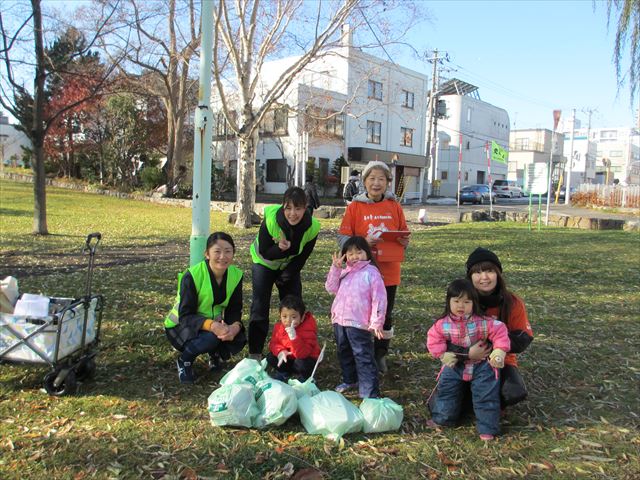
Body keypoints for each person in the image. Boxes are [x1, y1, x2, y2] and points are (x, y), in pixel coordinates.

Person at [337, 160, 409, 373]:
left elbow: (403, 232)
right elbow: (342, 237)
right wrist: (362, 242)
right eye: (371, 178)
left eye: (381, 179)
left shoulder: (395, 206)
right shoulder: (355, 207)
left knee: (384, 313)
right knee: (358, 312)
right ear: (364, 181)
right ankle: (359, 350)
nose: (376, 183)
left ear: (388, 183)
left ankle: (380, 353)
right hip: (359, 271)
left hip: (388, 271)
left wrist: (404, 241)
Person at [427, 279, 510, 440]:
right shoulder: (441, 324)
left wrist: (499, 351)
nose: (461, 306)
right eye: (456, 301)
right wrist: (442, 354)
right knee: (447, 391)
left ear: (474, 303)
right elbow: (433, 340)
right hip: (454, 365)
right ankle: (443, 419)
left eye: (466, 302)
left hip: (483, 366)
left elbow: (500, 331)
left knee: (486, 395)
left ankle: (488, 428)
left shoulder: (483, 322)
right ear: (448, 302)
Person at [248, 186, 321, 358]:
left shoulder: (313, 227)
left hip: (289, 265)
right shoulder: (272, 218)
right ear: (282, 206)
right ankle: (255, 353)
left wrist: (286, 276)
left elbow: (302, 257)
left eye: (298, 208)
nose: (293, 213)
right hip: (264, 262)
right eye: (288, 208)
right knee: (260, 305)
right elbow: (265, 251)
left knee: (294, 304)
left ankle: (295, 348)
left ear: (305, 208)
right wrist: (280, 249)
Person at [165, 232, 246, 384]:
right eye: (217, 251)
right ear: (207, 254)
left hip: (212, 323)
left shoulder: (236, 275)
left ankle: (214, 353)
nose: (223, 256)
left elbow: (235, 309)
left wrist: (234, 327)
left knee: (239, 334)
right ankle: (184, 360)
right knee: (211, 337)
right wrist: (213, 326)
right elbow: (185, 315)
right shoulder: (193, 275)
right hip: (182, 324)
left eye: (228, 251)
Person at [459, 247, 534, 407]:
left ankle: (490, 402)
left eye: (489, 271)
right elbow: (445, 336)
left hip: (501, 361)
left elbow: (523, 338)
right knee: (447, 402)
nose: (484, 277)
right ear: (470, 277)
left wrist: (493, 345)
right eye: (477, 272)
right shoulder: (461, 302)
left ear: (498, 274)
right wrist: (467, 352)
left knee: (513, 392)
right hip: (467, 359)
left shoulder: (513, 302)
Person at [325, 236, 387, 398]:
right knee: (343, 351)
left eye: (358, 252)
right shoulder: (344, 272)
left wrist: (377, 322)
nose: (354, 256)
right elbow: (331, 288)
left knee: (363, 355)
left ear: (367, 253)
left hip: (359, 323)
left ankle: (369, 391)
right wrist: (335, 268)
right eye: (350, 253)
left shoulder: (372, 273)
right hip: (340, 320)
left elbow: (379, 299)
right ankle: (350, 379)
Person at [266, 295, 321, 382]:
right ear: (280, 316)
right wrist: (280, 351)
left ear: (302, 318)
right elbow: (274, 343)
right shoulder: (279, 327)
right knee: (271, 357)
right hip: (290, 358)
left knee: (301, 363)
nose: (288, 320)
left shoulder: (308, 330)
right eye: (284, 316)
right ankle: (284, 372)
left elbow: (303, 354)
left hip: (305, 359)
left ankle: (305, 377)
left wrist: (294, 338)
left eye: (294, 317)